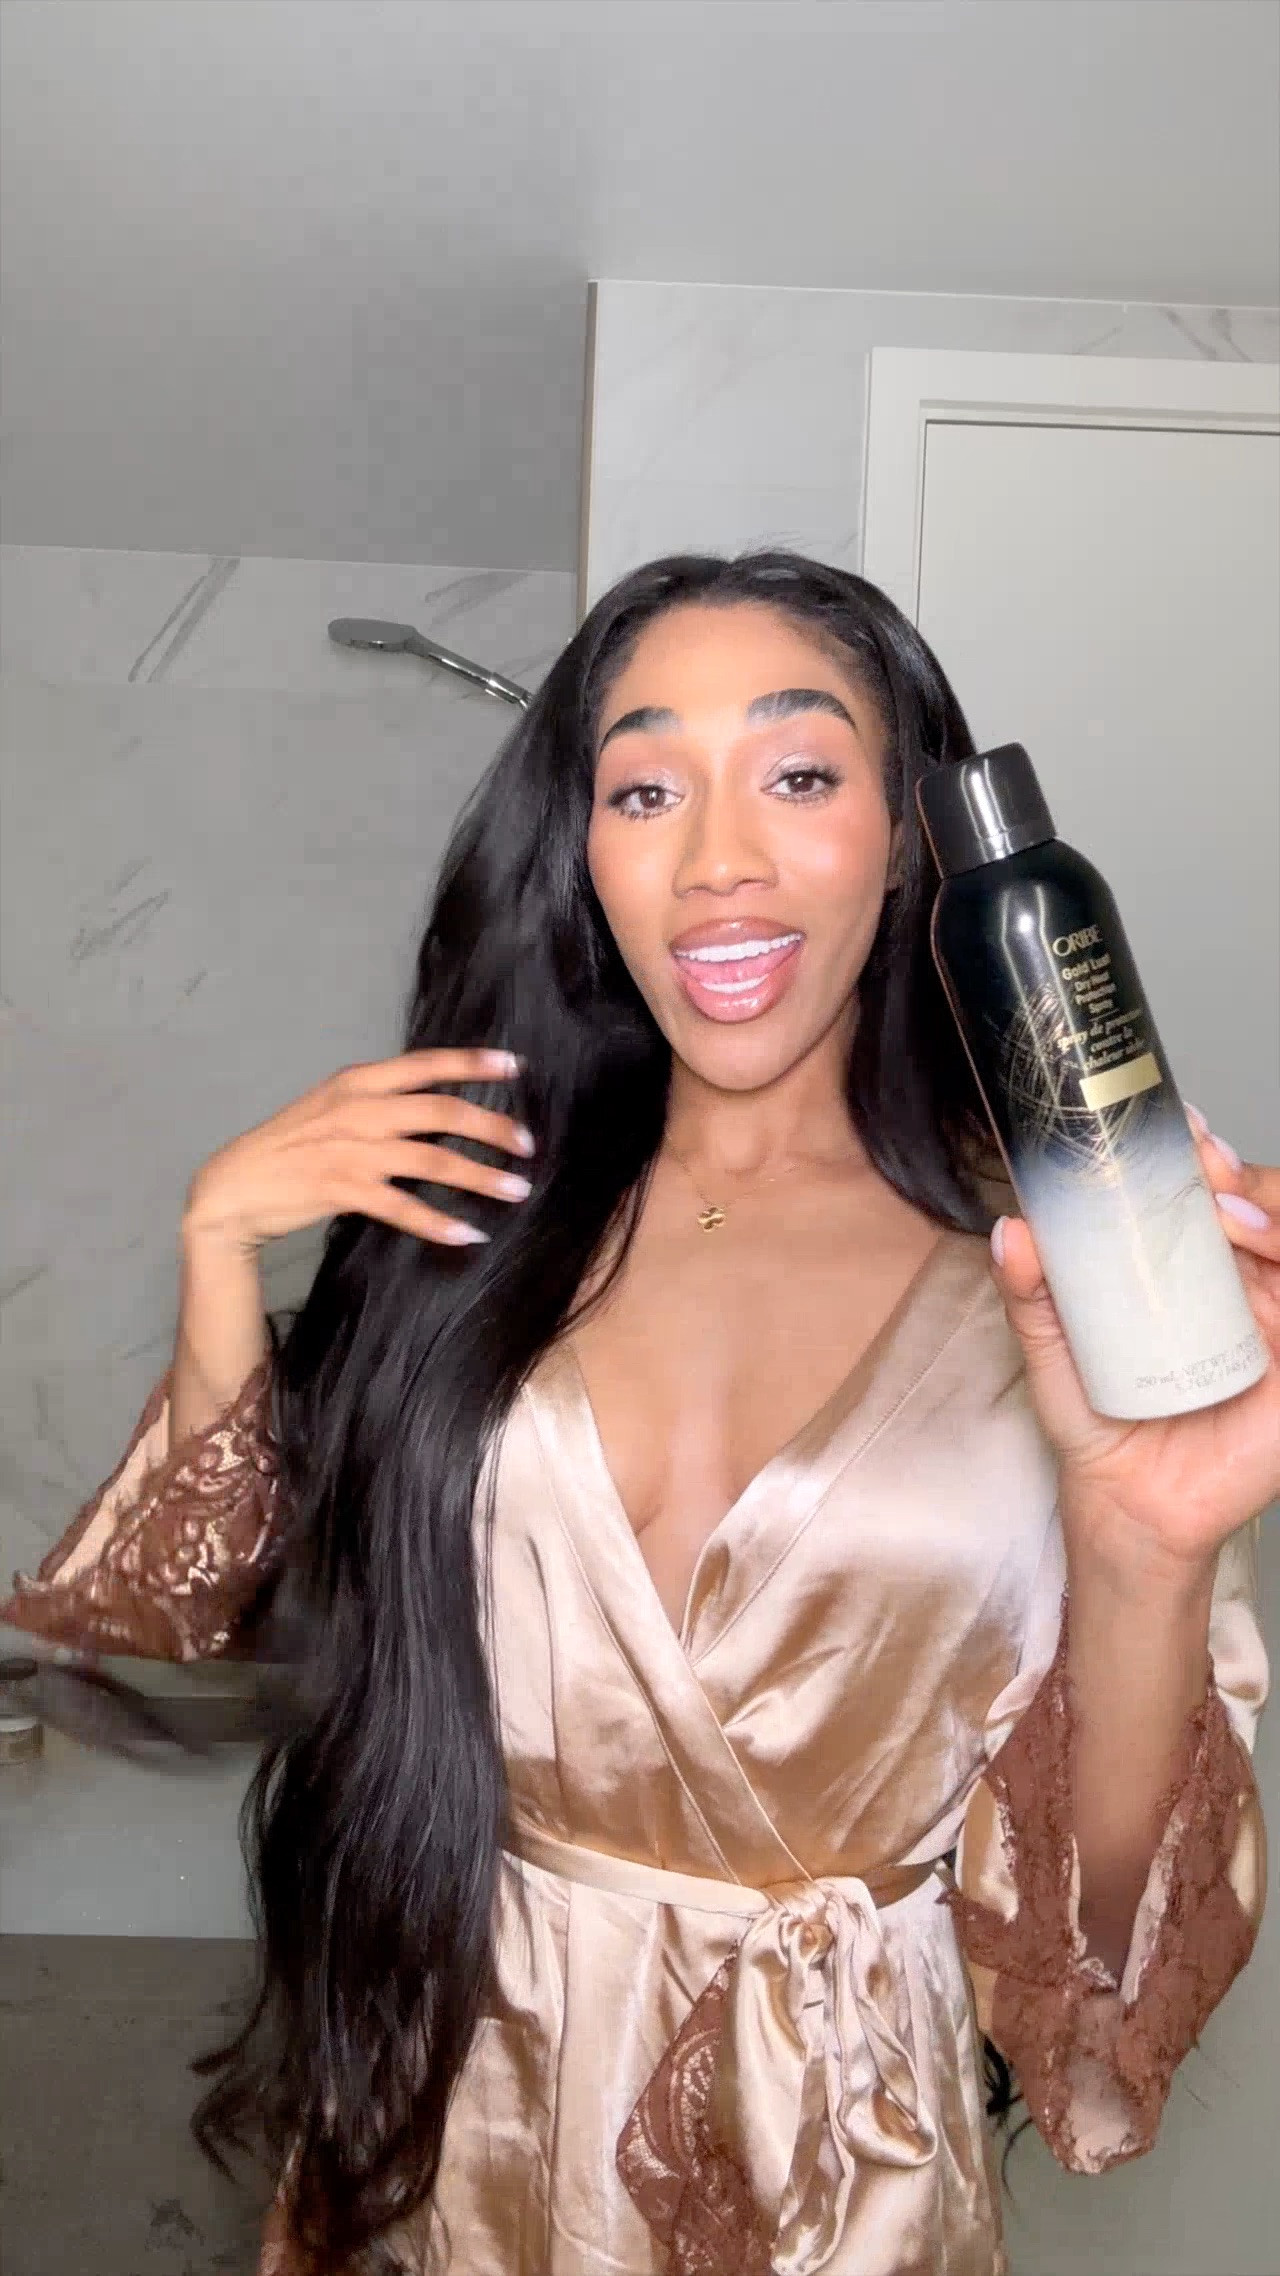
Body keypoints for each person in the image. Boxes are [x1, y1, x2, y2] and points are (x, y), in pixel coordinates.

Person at [4, 553, 1273, 2276]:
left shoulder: (1060, 1284)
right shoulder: (480, 1228)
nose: (717, 857)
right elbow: (205, 1609)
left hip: (842, 2180)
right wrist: (220, 1252)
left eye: (800, 775)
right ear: (584, 854)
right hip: (448, 2123)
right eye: (646, 790)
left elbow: (1097, 1986)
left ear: (912, 838)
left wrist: (1149, 1547)